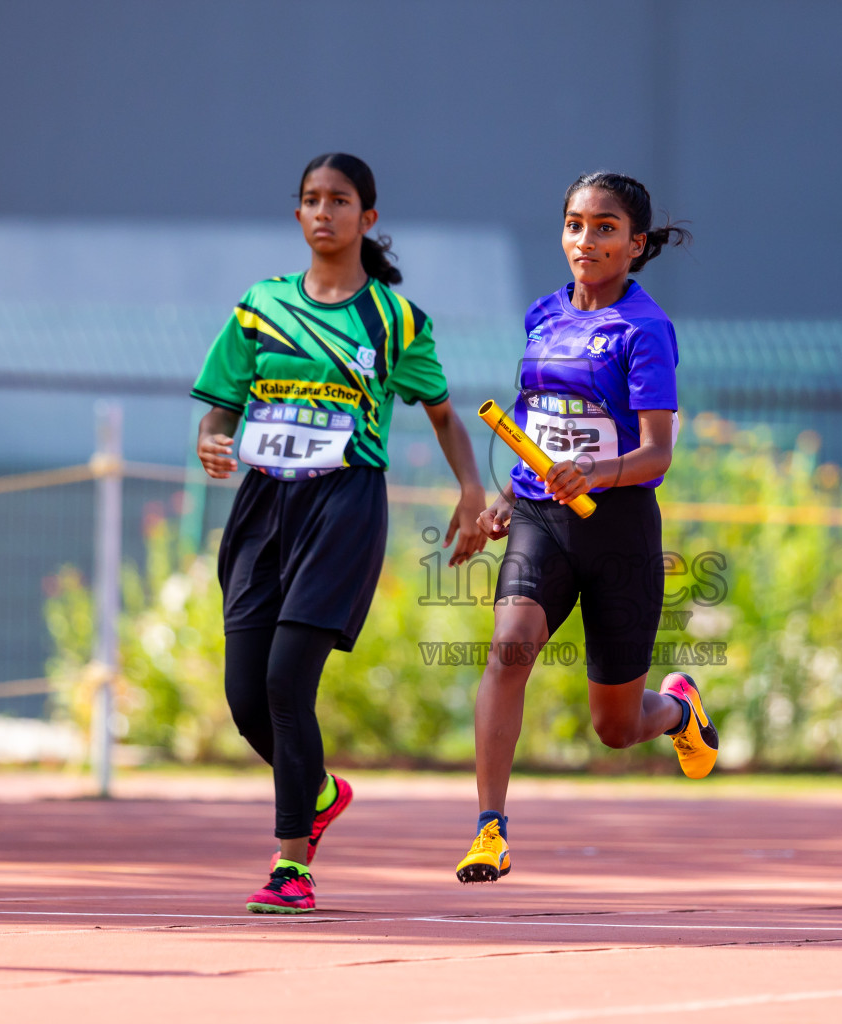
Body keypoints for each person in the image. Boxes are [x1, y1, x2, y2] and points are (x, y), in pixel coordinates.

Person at [192, 153, 487, 912]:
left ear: (368, 218)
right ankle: (320, 790)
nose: (323, 212)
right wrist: (212, 438)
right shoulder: (259, 306)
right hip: (264, 504)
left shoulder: (394, 318)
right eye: (311, 200)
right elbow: (220, 406)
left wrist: (470, 487)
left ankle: (292, 866)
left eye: (340, 200)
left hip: (344, 506)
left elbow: (444, 414)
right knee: (246, 697)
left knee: (289, 680)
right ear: (297, 215)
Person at [454, 171, 714, 884]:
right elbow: (537, 418)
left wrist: (596, 474)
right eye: (574, 224)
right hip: (542, 517)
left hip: (619, 525)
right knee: (510, 648)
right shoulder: (543, 316)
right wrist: (510, 493)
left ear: (635, 244)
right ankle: (489, 830)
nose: (585, 239)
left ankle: (678, 710)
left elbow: (659, 452)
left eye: (604, 227)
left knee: (615, 728)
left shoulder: (645, 330)